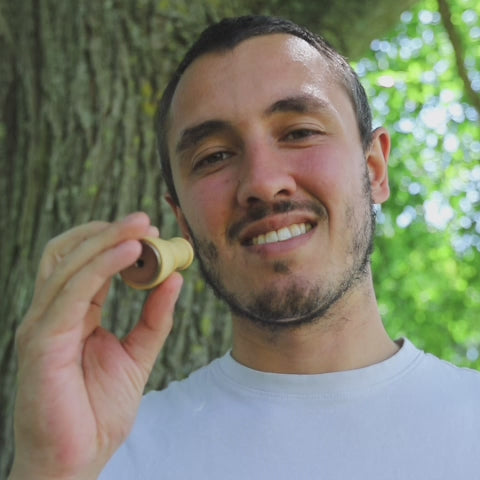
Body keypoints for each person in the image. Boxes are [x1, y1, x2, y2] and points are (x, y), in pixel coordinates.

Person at [8, 15, 480, 480]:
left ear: (375, 169)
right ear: (182, 223)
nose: (262, 182)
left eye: (299, 132)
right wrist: (49, 470)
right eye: (213, 157)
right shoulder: (103, 456)